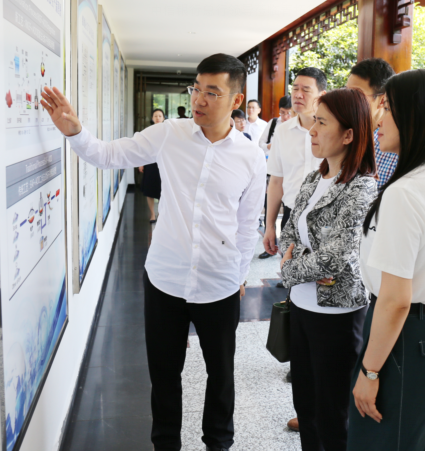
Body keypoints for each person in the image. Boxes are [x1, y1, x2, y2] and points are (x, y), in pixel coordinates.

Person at [41, 53, 266, 451]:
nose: (199, 99)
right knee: (164, 375)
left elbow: (248, 225)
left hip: (219, 284)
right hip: (165, 280)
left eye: (212, 92)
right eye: (196, 88)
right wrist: (75, 132)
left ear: (235, 100)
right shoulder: (169, 134)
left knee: (221, 374)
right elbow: (109, 154)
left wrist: (239, 275)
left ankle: (218, 443)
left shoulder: (250, 157)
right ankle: (166, 445)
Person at [348, 69, 425, 451]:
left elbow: (396, 299)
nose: (378, 119)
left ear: (415, 114)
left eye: (387, 108)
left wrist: (370, 371)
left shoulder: (406, 190)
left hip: (401, 337)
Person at [279, 88, 377, 451]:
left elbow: (336, 257)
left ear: (349, 134)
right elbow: (288, 234)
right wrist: (305, 264)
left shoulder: (362, 188)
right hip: (301, 306)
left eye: (321, 122)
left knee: (333, 415)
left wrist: (291, 268)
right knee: (305, 405)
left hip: (337, 314)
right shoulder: (312, 179)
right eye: (313, 121)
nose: (312, 130)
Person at [263, 68, 327, 281]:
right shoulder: (283, 131)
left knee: (325, 281)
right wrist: (270, 226)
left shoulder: (334, 130)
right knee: (293, 279)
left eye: (306, 90)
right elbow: (276, 182)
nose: (298, 95)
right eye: (295, 89)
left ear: (322, 95)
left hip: (326, 217)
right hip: (291, 216)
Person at [346, 58, 397, 189]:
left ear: (382, 100)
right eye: (346, 91)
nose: (346, 99)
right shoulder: (342, 134)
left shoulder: (393, 148)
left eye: (357, 94)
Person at [258, 95, 292, 257]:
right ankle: (270, 246)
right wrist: (271, 146)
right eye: (282, 112)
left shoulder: (298, 126)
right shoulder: (273, 124)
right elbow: (261, 144)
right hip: (272, 175)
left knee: (288, 214)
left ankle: (285, 252)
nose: (285, 116)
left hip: (290, 176)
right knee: (269, 210)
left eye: (288, 113)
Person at [139, 109, 165, 222]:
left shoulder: (167, 131)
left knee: (162, 190)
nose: (158, 118)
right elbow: (142, 148)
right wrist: (141, 163)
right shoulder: (147, 131)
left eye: (160, 116)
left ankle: (160, 214)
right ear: (152, 118)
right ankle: (152, 214)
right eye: (155, 116)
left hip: (163, 163)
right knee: (149, 190)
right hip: (150, 162)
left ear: (163, 118)